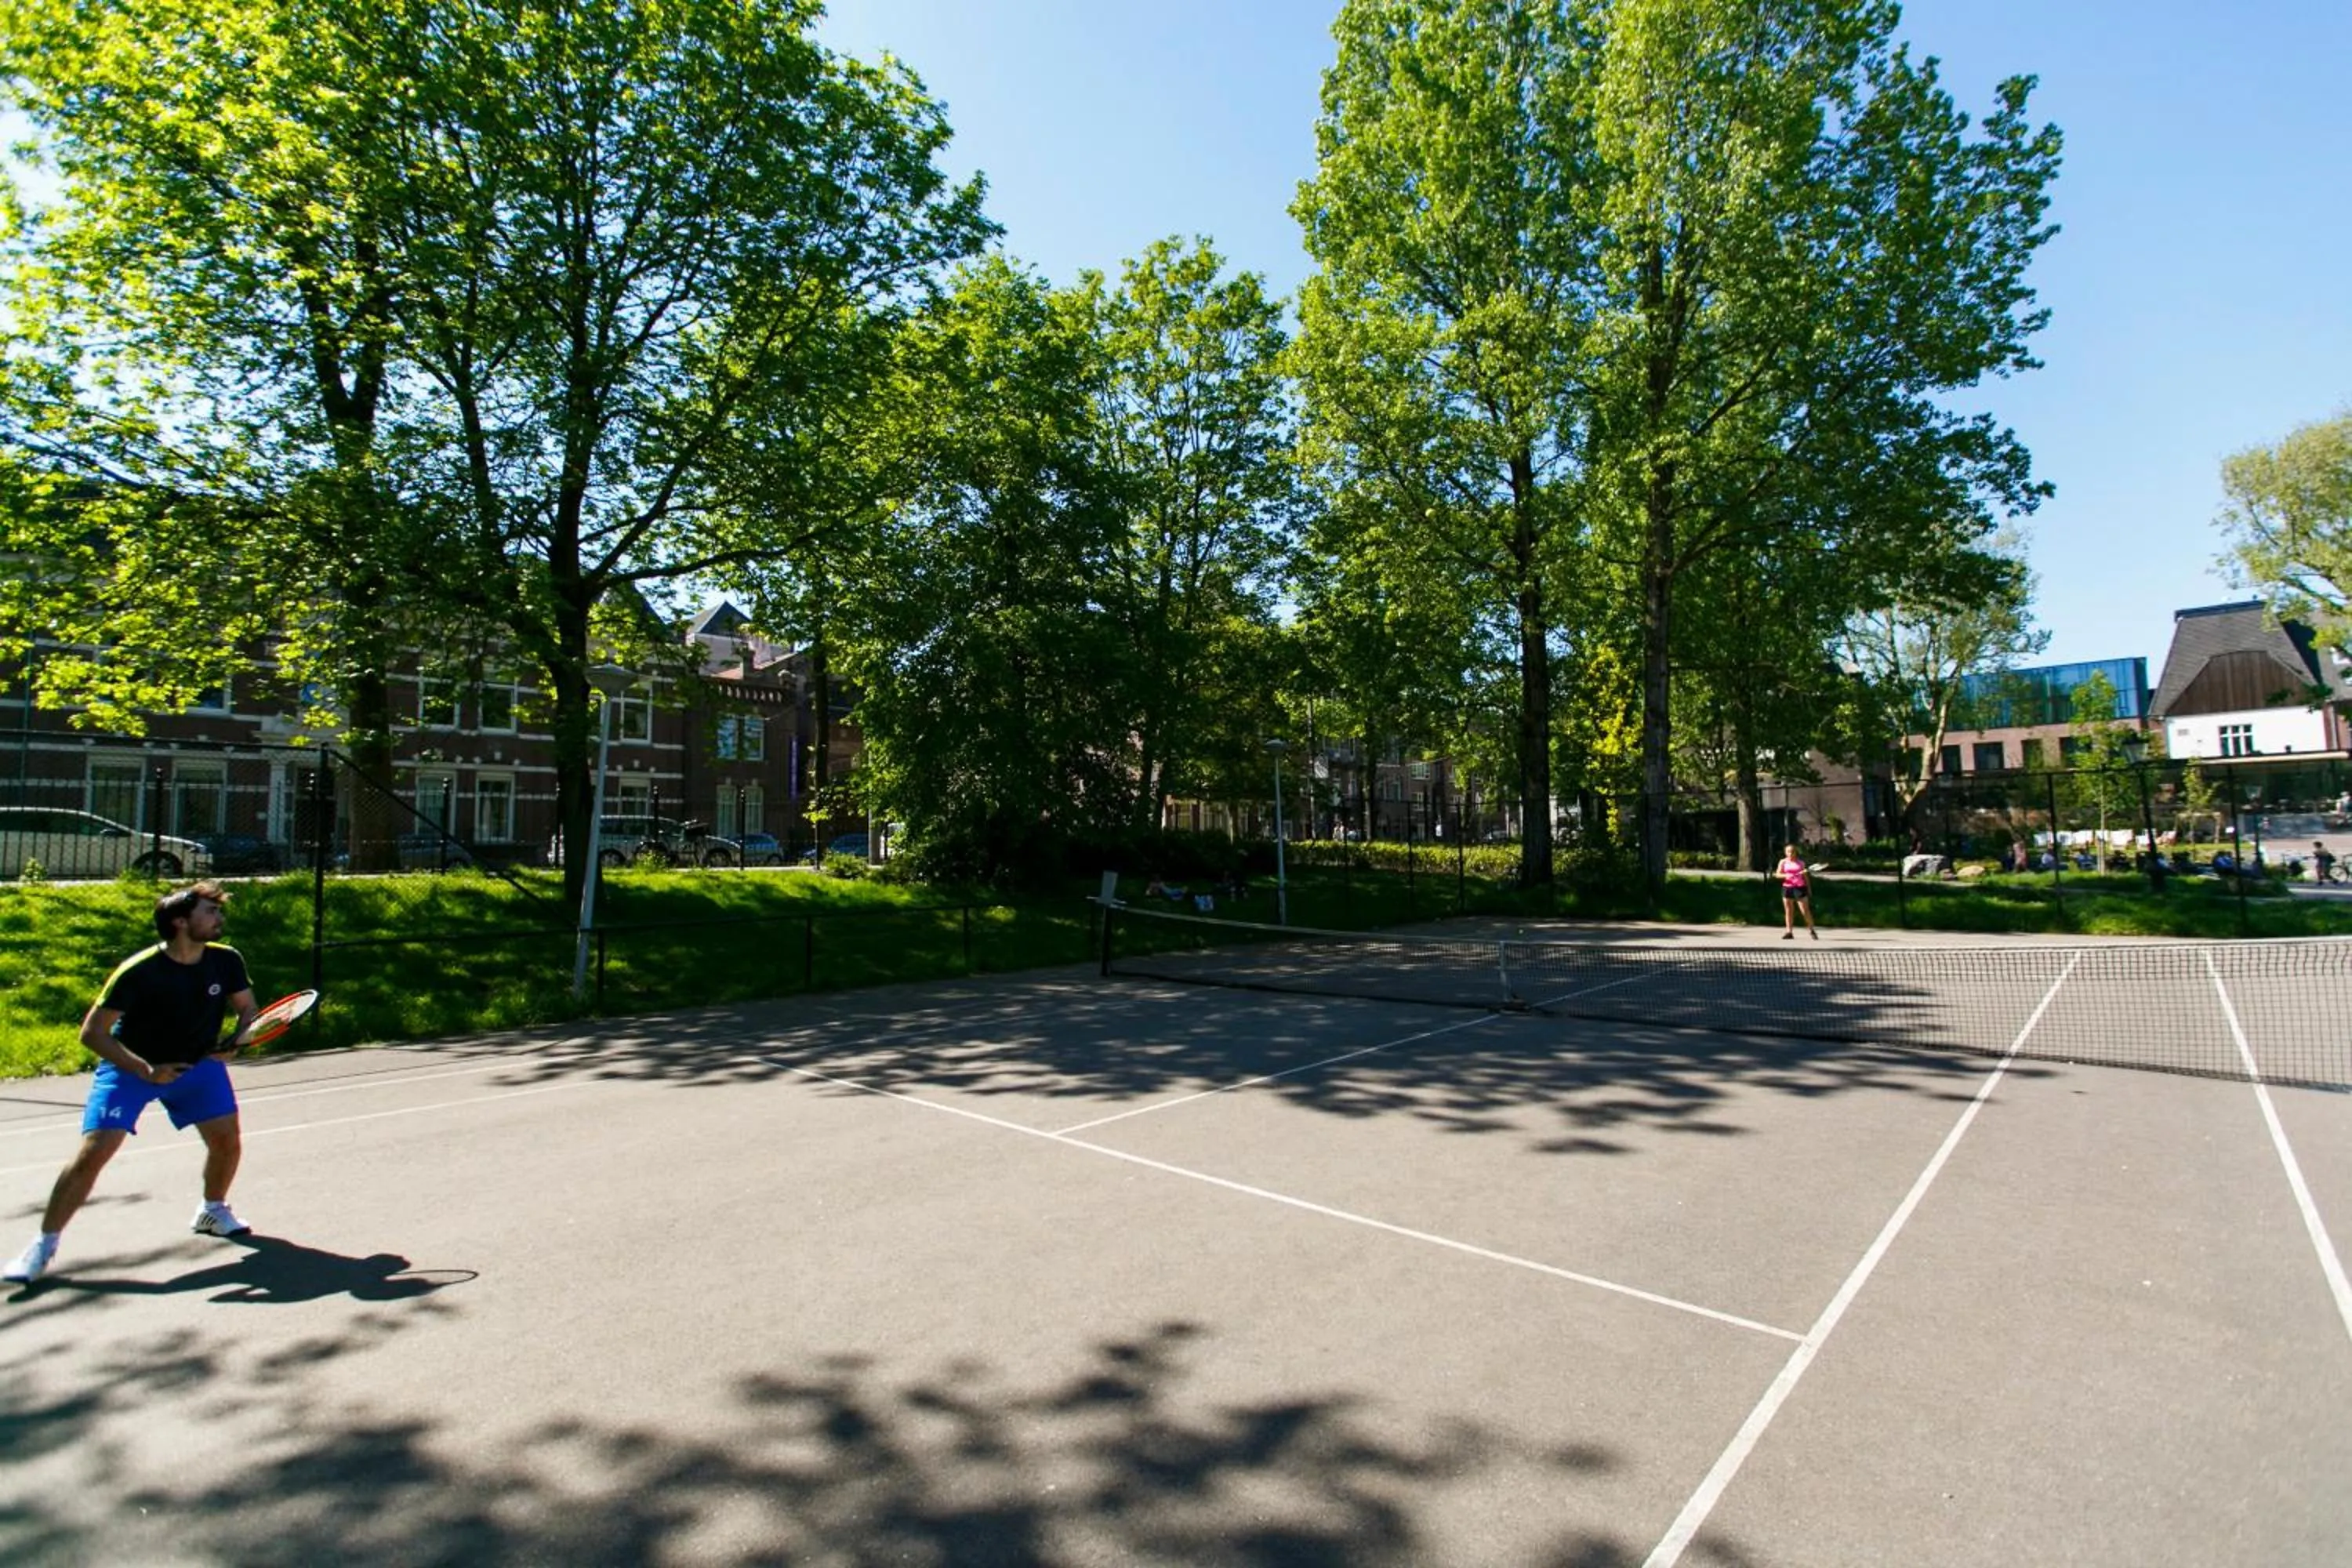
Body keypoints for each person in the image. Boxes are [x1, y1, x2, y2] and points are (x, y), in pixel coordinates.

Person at [4, 883, 261, 1285]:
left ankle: (212, 1210)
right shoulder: (140, 971)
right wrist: (146, 1070)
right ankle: (43, 1244)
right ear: (181, 922)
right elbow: (92, 1033)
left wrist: (237, 1043)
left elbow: (247, 1009)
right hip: (131, 1067)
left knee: (227, 1142)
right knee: (94, 1152)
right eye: (210, 912)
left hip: (198, 1065)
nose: (219, 918)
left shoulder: (225, 960)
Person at [1773, 844, 1819, 940]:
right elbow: (1777, 874)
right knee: (1788, 911)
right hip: (1787, 888)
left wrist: (1809, 889)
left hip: (1800, 888)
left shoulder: (1800, 863)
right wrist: (1786, 876)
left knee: (1805, 911)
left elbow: (1805, 877)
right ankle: (1789, 932)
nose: (1790, 853)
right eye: (1788, 852)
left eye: (1792, 852)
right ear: (1785, 853)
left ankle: (1812, 930)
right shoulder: (1783, 862)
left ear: (1795, 852)